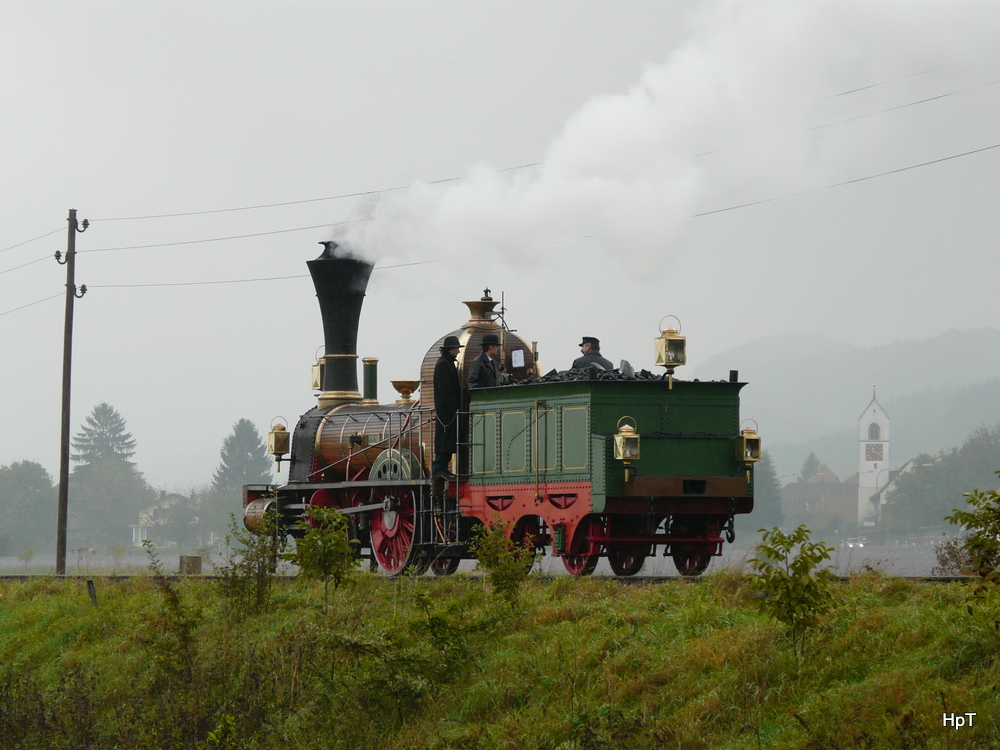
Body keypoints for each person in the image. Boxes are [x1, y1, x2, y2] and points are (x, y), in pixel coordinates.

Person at [432, 335, 463, 478]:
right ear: (451, 349)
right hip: (446, 410)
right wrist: (451, 406)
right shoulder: (444, 364)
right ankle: (439, 468)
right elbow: (445, 390)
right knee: (445, 440)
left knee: (448, 440)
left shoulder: (447, 363)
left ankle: (442, 467)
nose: (458, 351)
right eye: (457, 348)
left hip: (448, 409)